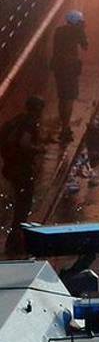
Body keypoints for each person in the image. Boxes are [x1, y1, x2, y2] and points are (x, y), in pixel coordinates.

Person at [1, 96, 45, 254]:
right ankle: (15, 239)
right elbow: (24, 143)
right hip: (21, 168)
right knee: (23, 204)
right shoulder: (30, 123)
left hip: (10, 166)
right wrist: (38, 149)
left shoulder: (17, 120)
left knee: (19, 201)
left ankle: (15, 237)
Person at [50, 10, 88, 142]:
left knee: (62, 97)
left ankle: (63, 125)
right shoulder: (77, 31)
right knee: (69, 98)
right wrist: (82, 31)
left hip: (58, 68)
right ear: (76, 22)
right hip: (70, 68)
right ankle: (65, 128)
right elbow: (85, 46)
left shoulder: (59, 31)